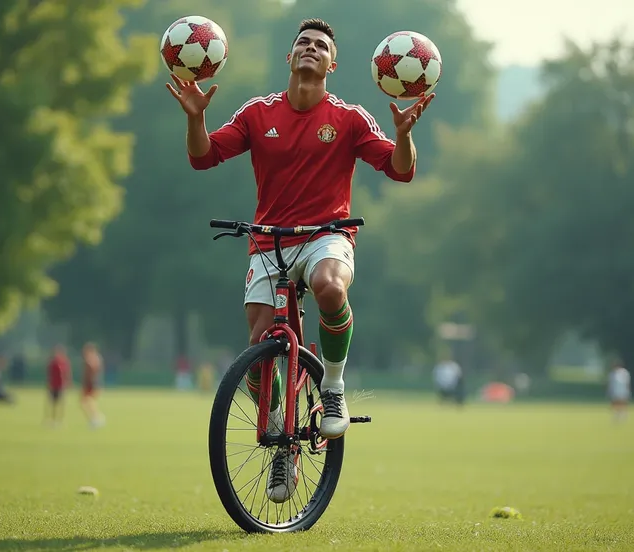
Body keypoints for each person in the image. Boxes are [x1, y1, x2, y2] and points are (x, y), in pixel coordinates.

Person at [166, 18, 434, 503]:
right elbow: (203, 158)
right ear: (288, 58)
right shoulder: (257, 113)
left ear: (334, 63)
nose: (310, 49)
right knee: (257, 349)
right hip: (268, 242)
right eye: (302, 44)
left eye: (320, 46)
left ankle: (332, 385)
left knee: (331, 286)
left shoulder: (350, 118)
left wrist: (403, 134)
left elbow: (402, 170)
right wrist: (194, 118)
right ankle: (279, 444)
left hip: (327, 236)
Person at [45, 345, 71, 426]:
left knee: (61, 403)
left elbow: (67, 373)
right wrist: (49, 383)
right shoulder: (52, 362)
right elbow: (49, 374)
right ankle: (52, 419)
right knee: (52, 403)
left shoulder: (64, 362)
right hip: (53, 385)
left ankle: (60, 420)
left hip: (61, 386)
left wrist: (68, 382)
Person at [81, 342, 105, 428]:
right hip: (91, 384)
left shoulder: (92, 359)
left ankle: (96, 418)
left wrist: (92, 383)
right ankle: (95, 418)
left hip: (92, 384)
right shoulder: (95, 358)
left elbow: (93, 372)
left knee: (87, 401)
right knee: (87, 402)